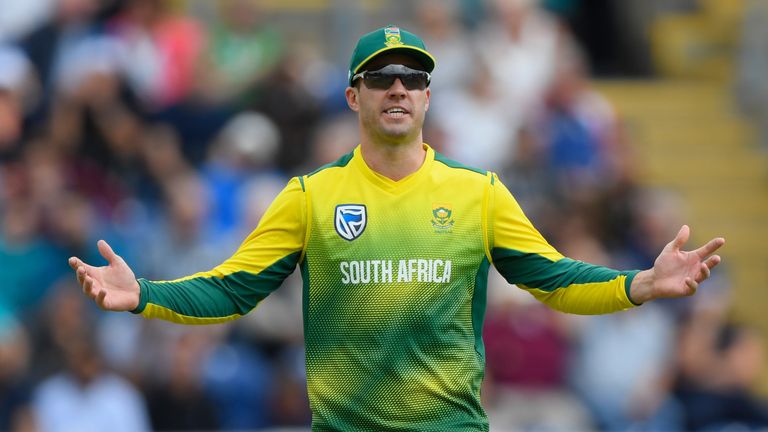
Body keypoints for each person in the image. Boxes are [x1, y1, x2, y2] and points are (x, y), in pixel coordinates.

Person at [69, 25, 725, 431]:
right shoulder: (309, 196)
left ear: (429, 96)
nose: (398, 88)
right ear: (354, 96)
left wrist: (639, 283)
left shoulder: (479, 193)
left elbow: (554, 281)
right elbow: (231, 290)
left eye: (413, 77)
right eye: (381, 77)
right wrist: (145, 295)